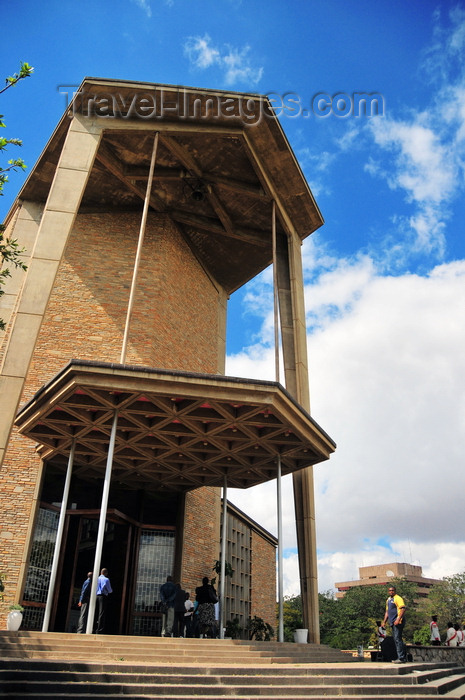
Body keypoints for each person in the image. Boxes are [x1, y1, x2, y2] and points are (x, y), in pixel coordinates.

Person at [382, 585, 407, 663]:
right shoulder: (388, 600)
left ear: (395, 591)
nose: (391, 592)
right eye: (389, 590)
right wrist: (384, 621)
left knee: (397, 639)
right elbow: (387, 612)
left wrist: (398, 619)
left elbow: (403, 609)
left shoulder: (398, 598)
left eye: (392, 590)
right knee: (396, 639)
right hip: (392, 621)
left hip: (398, 621)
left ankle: (401, 658)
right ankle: (400, 656)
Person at [96, 567, 113, 634]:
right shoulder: (106, 579)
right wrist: (110, 591)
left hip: (96, 595)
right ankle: (99, 629)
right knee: (101, 612)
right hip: (103, 596)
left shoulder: (97, 578)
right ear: (106, 573)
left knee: (95, 611)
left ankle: (94, 626)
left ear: (101, 572)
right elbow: (109, 590)